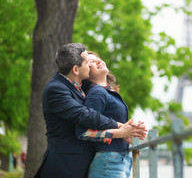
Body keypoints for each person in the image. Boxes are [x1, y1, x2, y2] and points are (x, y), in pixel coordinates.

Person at [36, 43, 146, 178]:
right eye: (88, 62)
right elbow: (86, 116)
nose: (92, 64)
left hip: (84, 165)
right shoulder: (56, 89)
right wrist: (120, 128)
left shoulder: (80, 89)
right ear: (76, 70)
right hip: (65, 166)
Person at [76, 52, 146, 178]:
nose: (97, 61)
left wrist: (128, 130)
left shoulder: (106, 92)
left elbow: (103, 123)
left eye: (98, 58)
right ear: (85, 72)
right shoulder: (97, 93)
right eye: (90, 62)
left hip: (119, 160)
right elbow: (83, 132)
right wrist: (121, 133)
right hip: (109, 162)